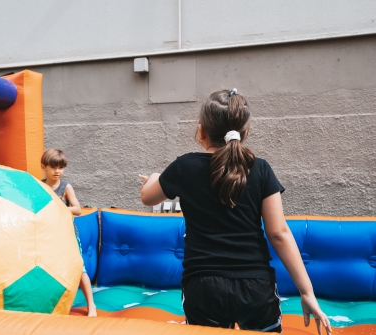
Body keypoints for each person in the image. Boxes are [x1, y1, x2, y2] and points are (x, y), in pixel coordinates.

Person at [139, 89, 332, 334]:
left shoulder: (183, 167)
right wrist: (307, 292)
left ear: (201, 131)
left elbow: (147, 197)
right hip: (254, 287)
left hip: (203, 287)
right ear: (245, 133)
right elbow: (279, 233)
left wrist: (155, 178)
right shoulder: (260, 169)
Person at [41, 148, 97, 317]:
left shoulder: (65, 187)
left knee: (80, 269)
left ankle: (91, 305)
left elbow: (77, 209)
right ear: (44, 167)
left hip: (68, 234)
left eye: (61, 168)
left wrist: (59, 206)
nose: (57, 171)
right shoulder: (41, 186)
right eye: (53, 167)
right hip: (50, 234)